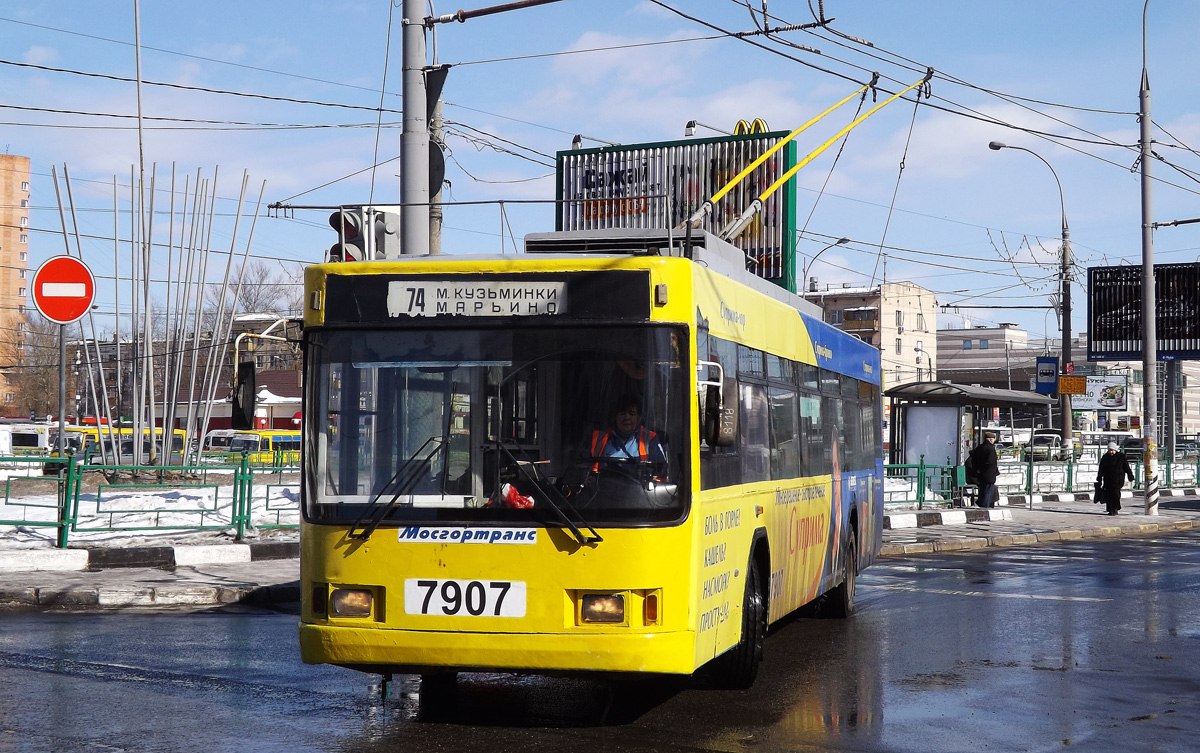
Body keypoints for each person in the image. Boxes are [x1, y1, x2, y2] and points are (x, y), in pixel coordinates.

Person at [589, 394, 667, 472]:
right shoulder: (598, 438)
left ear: (639, 418)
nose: (627, 417)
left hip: (638, 483)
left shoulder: (650, 439)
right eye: (622, 413)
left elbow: (660, 470)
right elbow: (585, 468)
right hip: (604, 483)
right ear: (615, 416)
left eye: (632, 413)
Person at [1096, 441, 1134, 515]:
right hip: (1107, 480)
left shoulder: (1121, 456)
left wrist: (1130, 475)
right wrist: (1099, 477)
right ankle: (1110, 510)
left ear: (1115, 450)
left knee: (1116, 494)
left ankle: (1115, 508)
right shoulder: (1105, 457)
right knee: (1109, 494)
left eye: (1112, 450)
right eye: (1110, 450)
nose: (1111, 452)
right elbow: (1101, 468)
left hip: (1118, 480)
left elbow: (1127, 467)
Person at [968, 431, 1000, 508]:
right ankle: (985, 506)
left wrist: (979, 469)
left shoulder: (980, 447)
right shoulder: (991, 449)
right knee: (988, 490)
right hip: (989, 474)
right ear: (990, 439)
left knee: (983, 490)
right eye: (993, 439)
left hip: (981, 474)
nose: (994, 441)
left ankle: (982, 504)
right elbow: (991, 462)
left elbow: (973, 456)